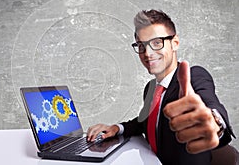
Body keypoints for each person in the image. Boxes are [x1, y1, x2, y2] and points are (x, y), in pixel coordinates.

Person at [86, 10, 235, 164]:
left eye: (157, 42)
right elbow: (144, 122)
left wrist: (214, 124)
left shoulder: (194, 76)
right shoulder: (151, 88)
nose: (148, 53)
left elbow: (209, 105)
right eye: (141, 45)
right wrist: (117, 128)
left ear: (175, 43)